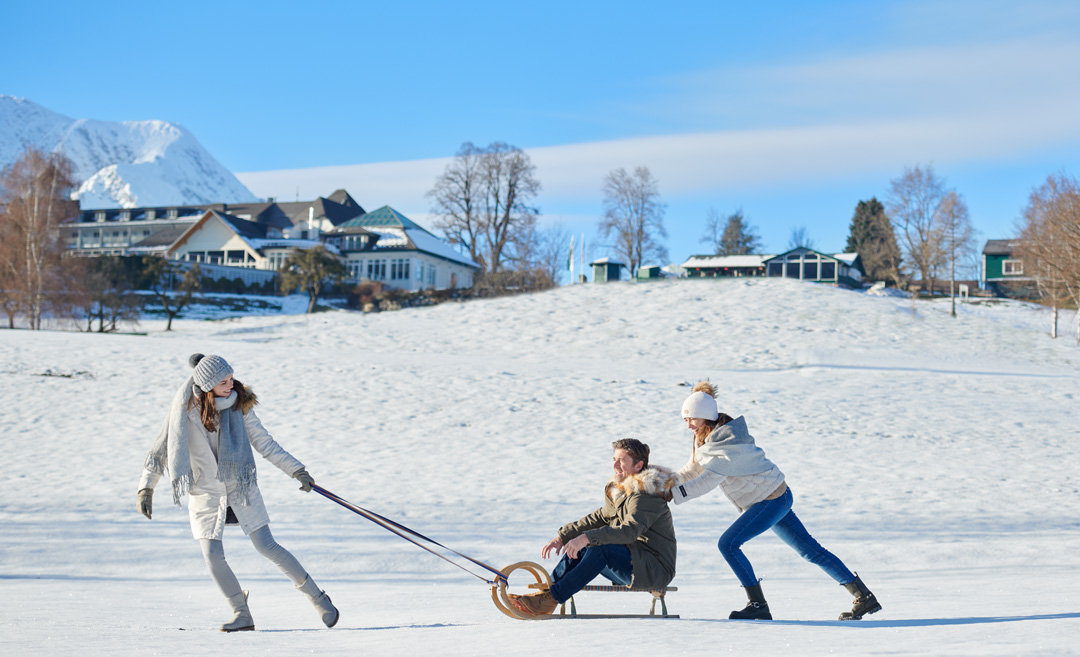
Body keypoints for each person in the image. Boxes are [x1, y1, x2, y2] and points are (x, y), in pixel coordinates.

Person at [136, 353, 339, 632]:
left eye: (231, 377)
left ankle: (319, 599)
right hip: (206, 492)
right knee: (212, 556)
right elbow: (161, 448)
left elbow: (265, 443)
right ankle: (242, 614)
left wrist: (297, 471)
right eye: (223, 381)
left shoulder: (240, 406)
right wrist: (146, 487)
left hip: (239, 487)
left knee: (267, 546)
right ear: (207, 384)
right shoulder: (183, 410)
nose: (230, 384)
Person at [670, 381, 881, 621]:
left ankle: (758, 604)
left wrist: (672, 494)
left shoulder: (727, 442)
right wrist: (663, 482)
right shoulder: (704, 439)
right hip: (773, 497)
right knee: (811, 552)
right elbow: (691, 470)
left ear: (705, 417)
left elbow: (706, 481)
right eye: (685, 420)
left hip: (771, 500)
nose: (688, 426)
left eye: (691, 420)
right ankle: (863, 596)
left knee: (728, 544)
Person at [510, 438, 677, 617]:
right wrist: (563, 537)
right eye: (614, 459)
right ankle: (545, 597)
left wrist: (586, 538)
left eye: (622, 460)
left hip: (654, 569)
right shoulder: (624, 494)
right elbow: (596, 518)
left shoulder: (645, 497)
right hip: (634, 562)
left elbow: (629, 531)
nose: (615, 464)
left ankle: (551, 598)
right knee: (584, 548)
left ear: (638, 466)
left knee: (600, 549)